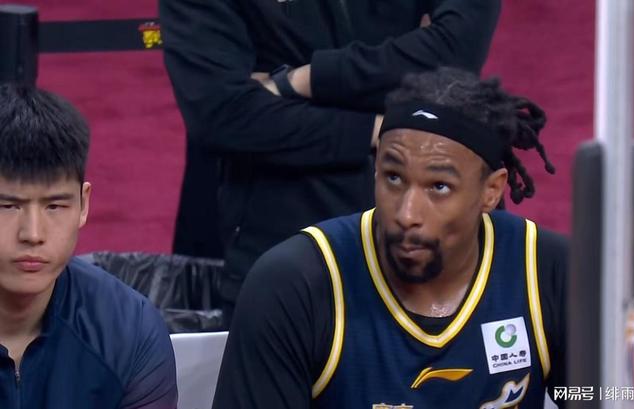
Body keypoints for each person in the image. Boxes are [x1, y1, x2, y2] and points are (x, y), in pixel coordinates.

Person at [212, 66, 567, 409]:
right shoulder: (295, 285)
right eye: (393, 178)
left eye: (439, 186)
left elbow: (592, 394)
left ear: (491, 192)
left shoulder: (547, 271)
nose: (407, 214)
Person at [160, 0, 502, 319]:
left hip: (443, 234)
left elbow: (456, 50)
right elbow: (224, 113)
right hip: (288, 238)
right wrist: (378, 127)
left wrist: (301, 80)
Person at [0, 84, 178, 409]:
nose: (33, 234)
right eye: (8, 206)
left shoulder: (127, 331)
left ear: (83, 204)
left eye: (55, 206)